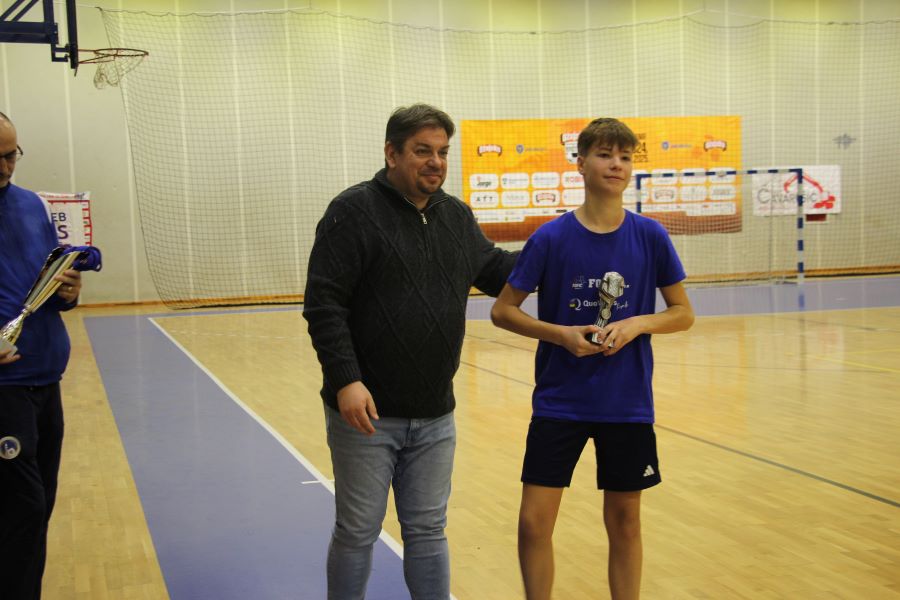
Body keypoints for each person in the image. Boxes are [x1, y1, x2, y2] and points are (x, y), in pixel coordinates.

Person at [303, 103, 517, 600]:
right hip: (367, 416)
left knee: (427, 530)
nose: (436, 162)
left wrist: (565, 249)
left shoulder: (455, 216)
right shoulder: (352, 212)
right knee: (358, 531)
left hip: (435, 414)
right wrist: (346, 380)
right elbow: (324, 304)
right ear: (392, 153)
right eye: (423, 151)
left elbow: (496, 270)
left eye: (442, 152)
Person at [490, 117, 695, 600]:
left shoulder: (650, 236)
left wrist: (639, 323)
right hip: (560, 401)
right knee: (533, 522)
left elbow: (683, 313)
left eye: (624, 157)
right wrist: (560, 335)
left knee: (625, 522)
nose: (616, 164)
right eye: (605, 155)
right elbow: (502, 311)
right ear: (580, 163)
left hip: (626, 404)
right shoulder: (550, 238)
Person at [0, 111, 85, 599]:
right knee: (22, 507)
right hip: (3, 390)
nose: (5, 167)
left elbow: (47, 283)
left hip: (46, 379)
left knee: (41, 504)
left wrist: (68, 292)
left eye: (11, 155)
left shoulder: (32, 206)